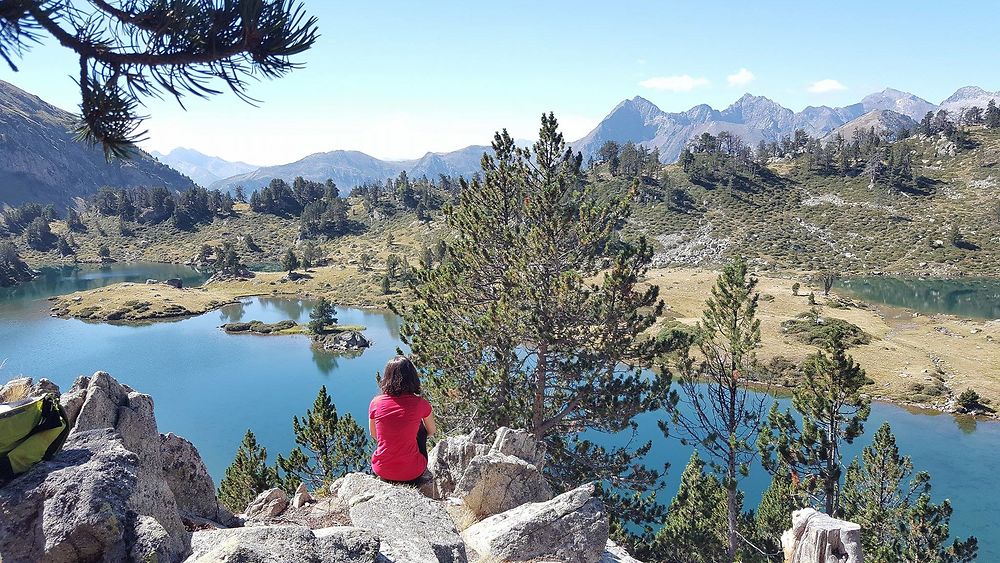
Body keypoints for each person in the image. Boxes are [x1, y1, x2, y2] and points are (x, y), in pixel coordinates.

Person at [368, 355, 436, 484]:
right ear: (413, 378)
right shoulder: (421, 404)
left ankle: (390, 464)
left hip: (382, 470)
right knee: (421, 428)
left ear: (386, 378)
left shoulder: (375, 403)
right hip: (412, 473)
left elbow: (374, 434)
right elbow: (431, 431)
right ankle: (413, 467)